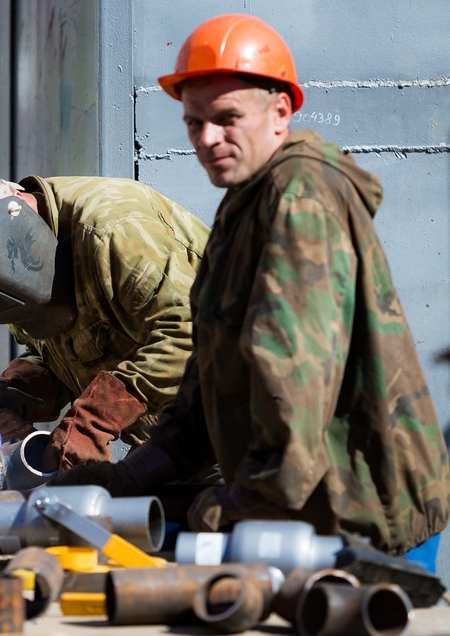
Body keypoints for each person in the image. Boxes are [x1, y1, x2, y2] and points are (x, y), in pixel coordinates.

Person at [50, 13, 450, 565]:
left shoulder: (301, 196)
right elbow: (209, 380)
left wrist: (250, 499)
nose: (208, 139)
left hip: (357, 517)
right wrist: (131, 476)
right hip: (303, 505)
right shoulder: (243, 207)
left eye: (227, 118)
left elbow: (295, 371)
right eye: (194, 123)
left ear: (281, 111)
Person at [0, 168, 210, 472]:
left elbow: (192, 333)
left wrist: (95, 419)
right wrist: (21, 391)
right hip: (178, 447)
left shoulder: (113, 228)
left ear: (17, 205)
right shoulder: (8, 262)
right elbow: (67, 351)